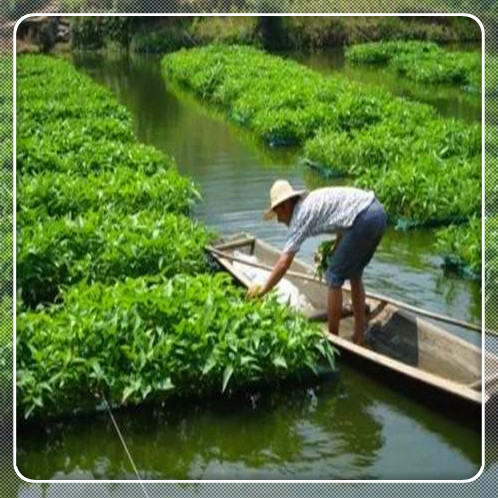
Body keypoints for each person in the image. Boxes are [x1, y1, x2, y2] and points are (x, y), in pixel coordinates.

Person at [248, 179, 387, 345]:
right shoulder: (309, 202)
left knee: (333, 276)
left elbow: (284, 263)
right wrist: (337, 246)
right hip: (377, 213)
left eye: (278, 214)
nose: (278, 220)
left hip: (364, 218)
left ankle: (333, 340)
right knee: (355, 274)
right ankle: (359, 336)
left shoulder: (300, 216)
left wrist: (263, 290)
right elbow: (344, 217)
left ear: (285, 206)